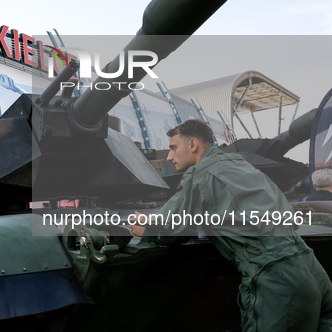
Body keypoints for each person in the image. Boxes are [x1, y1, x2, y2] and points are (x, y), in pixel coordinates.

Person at [130, 119, 332, 331]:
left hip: (278, 282)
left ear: (192, 145)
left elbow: (174, 229)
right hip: (313, 271)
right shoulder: (242, 165)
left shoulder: (201, 175)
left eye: (173, 148)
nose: (169, 157)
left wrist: (148, 230)